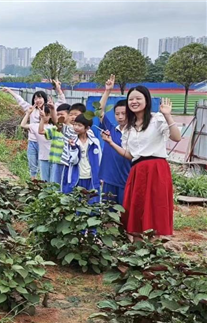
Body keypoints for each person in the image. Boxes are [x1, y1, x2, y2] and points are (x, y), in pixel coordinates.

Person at [102, 87, 181, 237]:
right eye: (131, 99)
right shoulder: (128, 128)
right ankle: (138, 247)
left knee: (156, 206)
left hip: (156, 169)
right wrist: (111, 143)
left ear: (146, 100)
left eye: (138, 98)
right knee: (136, 208)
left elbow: (176, 137)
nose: (134, 102)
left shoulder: (157, 119)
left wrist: (168, 116)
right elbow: (130, 155)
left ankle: (154, 246)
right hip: (137, 170)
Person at [3, 79, 65, 178]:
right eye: (35, 98)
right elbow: (20, 100)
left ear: (44, 99)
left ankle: (42, 183)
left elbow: (61, 101)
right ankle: (33, 183)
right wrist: (10, 91)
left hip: (45, 142)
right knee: (32, 165)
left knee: (43, 165)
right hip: (32, 141)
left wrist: (58, 89)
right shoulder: (31, 109)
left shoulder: (49, 110)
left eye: (39, 98)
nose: (37, 100)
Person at [97, 74, 130, 205]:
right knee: (107, 212)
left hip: (125, 180)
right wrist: (107, 91)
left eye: (124, 113)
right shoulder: (110, 129)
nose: (120, 117)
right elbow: (99, 111)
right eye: (117, 114)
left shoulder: (134, 133)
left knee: (124, 212)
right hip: (109, 179)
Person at [62, 115, 102, 203]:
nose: (76, 127)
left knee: (92, 203)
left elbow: (99, 159)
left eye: (79, 125)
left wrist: (101, 177)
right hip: (77, 177)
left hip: (91, 176)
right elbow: (73, 161)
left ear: (87, 128)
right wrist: (73, 148)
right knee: (77, 204)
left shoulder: (95, 142)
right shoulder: (72, 142)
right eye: (75, 124)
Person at [21, 105, 53, 181]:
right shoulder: (35, 126)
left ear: (50, 116)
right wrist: (28, 113)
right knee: (44, 179)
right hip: (43, 157)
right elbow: (22, 125)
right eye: (42, 114)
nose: (44, 116)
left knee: (53, 179)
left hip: (54, 157)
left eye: (46, 114)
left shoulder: (52, 127)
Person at [43, 102, 70, 184]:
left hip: (68, 163)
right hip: (57, 161)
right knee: (55, 185)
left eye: (61, 114)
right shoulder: (58, 128)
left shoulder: (74, 129)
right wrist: (52, 109)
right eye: (57, 114)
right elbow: (56, 122)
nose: (59, 116)